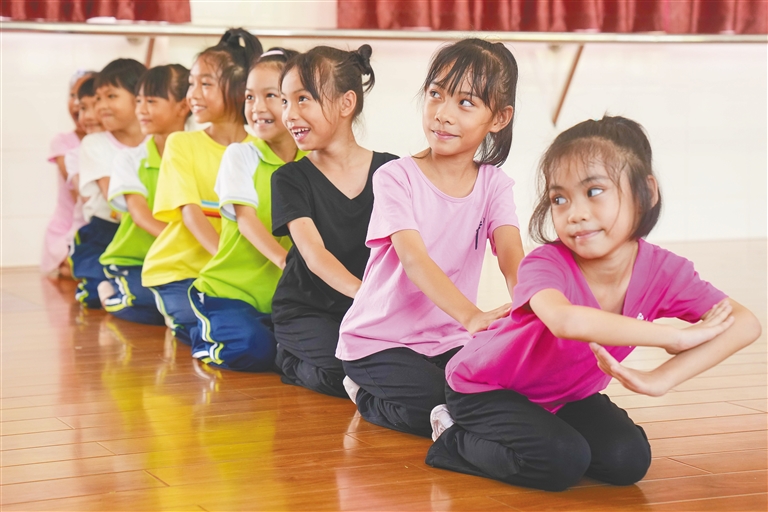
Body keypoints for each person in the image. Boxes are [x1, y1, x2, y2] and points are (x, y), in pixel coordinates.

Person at [425, 115, 762, 491]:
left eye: (594, 191)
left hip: (563, 394)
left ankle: (543, 431)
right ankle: (452, 434)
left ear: (646, 192)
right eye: (560, 199)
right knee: (561, 463)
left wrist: (661, 379)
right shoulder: (545, 264)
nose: (576, 213)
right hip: (487, 388)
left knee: (628, 461)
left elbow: (745, 323)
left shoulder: (664, 271)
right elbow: (564, 320)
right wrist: (674, 337)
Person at [337, 39, 525, 437]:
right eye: (436, 94)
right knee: (449, 406)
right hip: (379, 342)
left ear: (499, 117)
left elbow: (512, 255)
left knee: (492, 398)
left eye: (465, 102)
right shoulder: (395, 177)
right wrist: (473, 316)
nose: (442, 114)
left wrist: (533, 306)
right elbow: (415, 260)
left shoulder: (494, 184)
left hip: (449, 337)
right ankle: (365, 394)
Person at [271, 44, 398, 396]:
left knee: (394, 366)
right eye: (285, 101)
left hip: (367, 308)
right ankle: (289, 357)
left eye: (303, 99)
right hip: (307, 311)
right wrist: (367, 296)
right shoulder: (289, 178)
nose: (289, 114)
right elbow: (314, 254)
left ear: (346, 103)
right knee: (345, 369)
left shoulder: (391, 171)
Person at [188, 48, 307, 371]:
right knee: (254, 349)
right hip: (229, 292)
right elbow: (246, 220)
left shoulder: (313, 162)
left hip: (282, 298)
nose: (257, 108)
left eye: (271, 96)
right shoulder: (240, 155)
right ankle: (201, 334)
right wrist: (287, 262)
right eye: (250, 97)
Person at [142, 28, 261, 345]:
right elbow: (191, 214)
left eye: (205, 84)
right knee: (212, 330)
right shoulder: (181, 143)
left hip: (230, 272)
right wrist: (230, 264)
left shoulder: (259, 149)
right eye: (191, 83)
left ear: (241, 90)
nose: (192, 94)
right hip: (181, 272)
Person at [98, 64, 191, 325]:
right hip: (135, 261)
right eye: (138, 101)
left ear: (183, 106)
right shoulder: (129, 159)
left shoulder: (197, 155)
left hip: (181, 261)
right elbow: (140, 215)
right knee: (143, 303)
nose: (141, 109)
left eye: (151, 101)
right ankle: (106, 292)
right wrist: (186, 244)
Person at [70, 59, 147, 308]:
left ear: (140, 97)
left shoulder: (158, 140)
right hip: (107, 231)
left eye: (111, 96)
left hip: (148, 227)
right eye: (98, 99)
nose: (101, 106)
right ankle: (104, 287)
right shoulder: (95, 143)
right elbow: (115, 200)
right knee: (95, 281)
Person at [41, 70, 93, 278]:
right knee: (77, 269)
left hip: (96, 225)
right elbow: (80, 196)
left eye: (85, 97)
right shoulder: (63, 143)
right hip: (68, 229)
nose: (77, 103)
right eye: (73, 95)